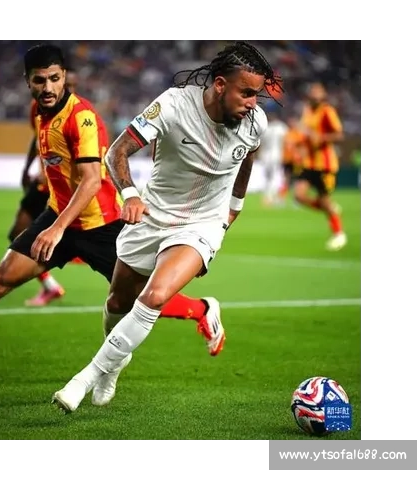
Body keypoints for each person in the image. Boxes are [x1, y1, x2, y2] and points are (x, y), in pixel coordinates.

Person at [0, 44, 225, 386]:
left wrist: (56, 229)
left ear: (65, 76)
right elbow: (43, 146)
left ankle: (202, 309)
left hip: (101, 225)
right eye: (40, 80)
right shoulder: (38, 112)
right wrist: (44, 196)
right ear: (28, 81)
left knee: (139, 298)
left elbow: (91, 181)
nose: (48, 87)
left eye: (55, 78)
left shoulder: (81, 117)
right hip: (60, 217)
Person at [52, 41, 280, 413]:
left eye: (257, 94)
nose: (253, 103)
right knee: (117, 303)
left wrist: (234, 209)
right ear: (220, 84)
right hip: (152, 216)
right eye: (246, 93)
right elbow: (117, 151)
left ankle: (84, 379)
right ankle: (114, 366)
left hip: (202, 224)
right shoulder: (173, 105)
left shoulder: (256, 123)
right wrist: (129, 195)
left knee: (155, 296)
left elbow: (247, 160)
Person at [7, 69, 79, 307]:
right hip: (42, 184)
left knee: (62, 241)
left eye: (72, 85)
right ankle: (50, 286)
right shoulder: (37, 107)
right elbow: (37, 137)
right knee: (19, 233)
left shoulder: (79, 114)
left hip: (61, 188)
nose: (68, 89)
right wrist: (27, 167)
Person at [293, 82, 346, 251]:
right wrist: (300, 145)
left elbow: (339, 135)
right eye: (313, 92)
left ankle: (339, 234)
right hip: (309, 163)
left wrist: (320, 138)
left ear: (323, 96)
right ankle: (330, 208)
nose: (315, 96)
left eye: (318, 93)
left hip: (325, 165)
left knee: (324, 200)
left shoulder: (327, 111)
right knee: (299, 196)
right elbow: (305, 134)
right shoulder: (307, 110)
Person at [257, 111, 288, 207]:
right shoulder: (281, 127)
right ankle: (275, 197)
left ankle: (268, 197)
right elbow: (286, 141)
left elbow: (260, 143)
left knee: (268, 177)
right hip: (277, 155)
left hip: (265, 156)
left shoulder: (265, 128)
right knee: (276, 176)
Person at [278, 115, 305, 202]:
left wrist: (301, 157)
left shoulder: (298, 134)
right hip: (287, 160)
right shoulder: (287, 134)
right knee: (286, 179)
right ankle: (282, 198)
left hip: (296, 161)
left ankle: (297, 198)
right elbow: (283, 147)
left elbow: (302, 147)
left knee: (297, 179)